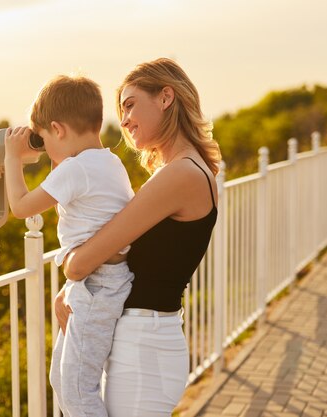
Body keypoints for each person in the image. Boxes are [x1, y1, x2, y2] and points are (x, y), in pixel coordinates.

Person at [58, 57, 222, 417]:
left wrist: (70, 267)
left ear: (166, 97)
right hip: (142, 343)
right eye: (121, 111)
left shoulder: (181, 174)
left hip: (144, 348)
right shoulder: (184, 170)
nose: (126, 119)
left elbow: (81, 263)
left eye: (130, 104)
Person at [3, 74, 135, 417]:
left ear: (58, 129)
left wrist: (13, 157)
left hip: (97, 284)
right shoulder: (110, 162)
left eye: (43, 138)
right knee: (61, 380)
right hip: (96, 281)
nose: (44, 146)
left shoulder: (76, 170)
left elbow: (19, 206)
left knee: (76, 390)